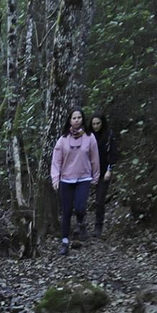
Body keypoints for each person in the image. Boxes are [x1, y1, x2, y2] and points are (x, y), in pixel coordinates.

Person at [50, 110, 101, 256]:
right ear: (70, 120)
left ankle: (81, 222)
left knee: (80, 207)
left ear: (83, 120)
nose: (77, 120)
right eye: (74, 118)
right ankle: (65, 242)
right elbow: (56, 161)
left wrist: (95, 177)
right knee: (66, 212)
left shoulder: (90, 138)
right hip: (66, 179)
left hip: (83, 178)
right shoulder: (63, 140)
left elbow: (95, 159)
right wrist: (55, 178)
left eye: (79, 118)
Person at [88, 113, 117, 237]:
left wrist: (109, 170)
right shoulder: (88, 136)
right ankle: (81, 226)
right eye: (93, 124)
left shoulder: (109, 136)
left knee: (99, 200)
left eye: (98, 123)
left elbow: (113, 153)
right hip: (88, 171)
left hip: (103, 171)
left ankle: (98, 226)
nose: (96, 126)